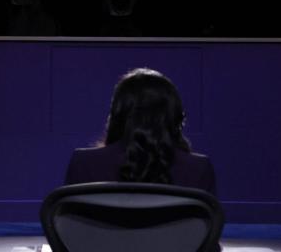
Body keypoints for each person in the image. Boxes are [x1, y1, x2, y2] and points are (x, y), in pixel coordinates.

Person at [65, 68, 216, 194]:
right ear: (174, 116)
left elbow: (69, 225)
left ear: (117, 114)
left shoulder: (84, 164)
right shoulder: (199, 169)